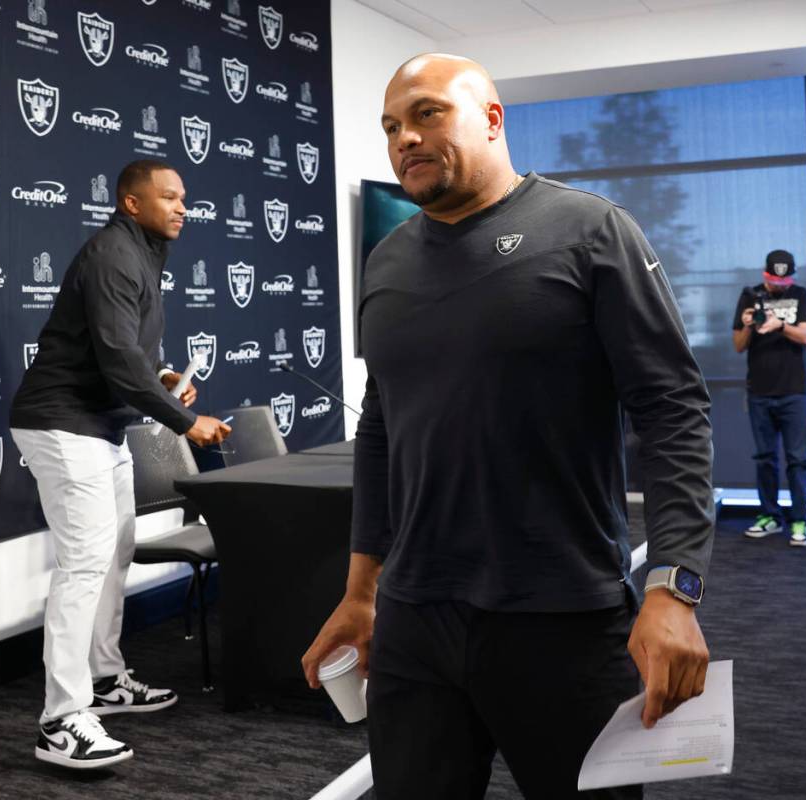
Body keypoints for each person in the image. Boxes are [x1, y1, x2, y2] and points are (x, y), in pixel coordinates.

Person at [301, 54, 715, 799]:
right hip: (414, 618)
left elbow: (672, 408)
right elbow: (381, 428)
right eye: (392, 126)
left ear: (491, 118)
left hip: (560, 617)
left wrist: (673, 588)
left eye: (427, 113)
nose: (404, 138)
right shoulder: (387, 260)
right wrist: (361, 590)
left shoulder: (589, 230)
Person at [10, 159, 232, 769]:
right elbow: (114, 357)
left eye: (184, 197)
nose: (182, 206)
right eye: (169, 197)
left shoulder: (143, 256)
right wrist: (186, 421)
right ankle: (60, 721)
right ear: (132, 204)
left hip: (98, 425)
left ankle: (105, 681)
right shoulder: (112, 253)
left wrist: (164, 376)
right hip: (59, 422)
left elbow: (134, 352)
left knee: (115, 552)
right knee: (84, 563)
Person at [732, 250, 806, 547]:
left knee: (798, 460)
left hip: (795, 392)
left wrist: (779, 325)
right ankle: (769, 516)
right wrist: (748, 325)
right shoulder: (749, 296)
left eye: (784, 280)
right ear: (764, 273)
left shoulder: (801, 294)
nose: (779, 284)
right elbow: (738, 346)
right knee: (764, 458)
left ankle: (799, 521)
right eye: (773, 279)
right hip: (760, 393)